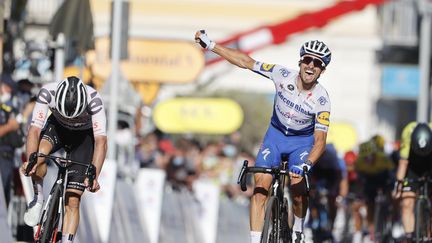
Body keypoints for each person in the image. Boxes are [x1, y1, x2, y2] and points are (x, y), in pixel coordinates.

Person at [195, 30, 332, 243]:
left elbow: (320, 142)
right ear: (300, 61)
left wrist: (307, 165)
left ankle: (297, 228)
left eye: (317, 63)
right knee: (260, 188)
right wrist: (212, 45)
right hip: (275, 138)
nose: (311, 66)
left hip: (301, 144)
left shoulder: (322, 100)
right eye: (308, 59)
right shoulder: (281, 74)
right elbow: (246, 61)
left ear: (322, 70)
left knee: (298, 187)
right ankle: (255, 239)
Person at [21, 76, 107, 243]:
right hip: (57, 129)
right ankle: (38, 198)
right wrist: (31, 160)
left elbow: (101, 141)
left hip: (83, 138)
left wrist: (94, 175)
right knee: (38, 156)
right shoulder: (47, 92)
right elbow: (34, 131)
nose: (70, 119)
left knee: (73, 199)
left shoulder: (94, 100)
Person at [393, 122, 432, 242]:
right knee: (407, 202)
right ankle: (409, 237)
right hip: (412, 167)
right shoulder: (407, 134)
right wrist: (398, 187)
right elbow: (403, 163)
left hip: (430, 163)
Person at [355, 136, 394, 241]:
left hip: (383, 177)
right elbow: (359, 180)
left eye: (370, 156)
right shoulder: (359, 162)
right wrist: (360, 194)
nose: (368, 159)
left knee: (391, 196)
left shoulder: (383, 158)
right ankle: (371, 229)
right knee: (369, 203)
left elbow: (391, 175)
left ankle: (391, 219)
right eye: (365, 157)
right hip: (369, 179)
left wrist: (390, 187)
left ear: (374, 154)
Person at [0, 73, 22, 207]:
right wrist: (10, 126)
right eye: (7, 87)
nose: (10, 91)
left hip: (8, 159)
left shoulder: (10, 108)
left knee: (5, 201)